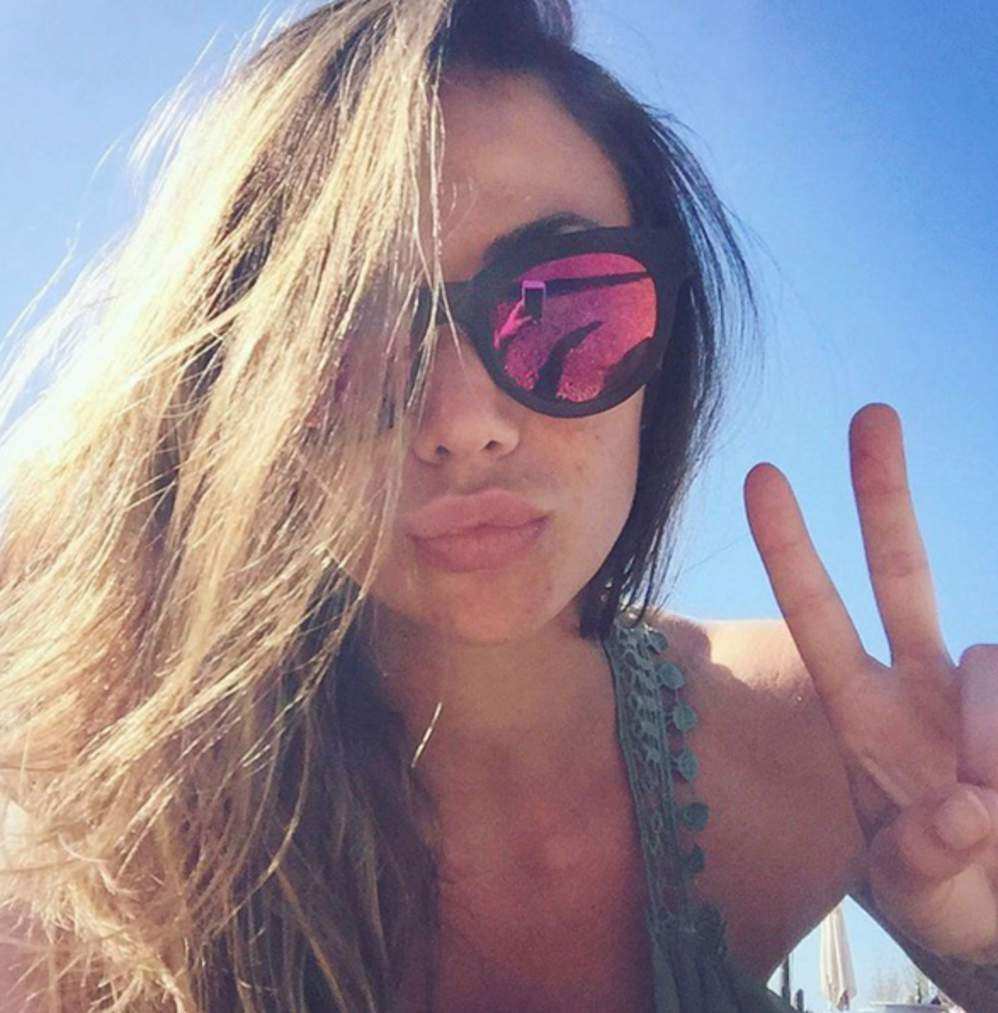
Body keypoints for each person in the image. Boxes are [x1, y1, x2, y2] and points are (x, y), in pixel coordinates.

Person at [0, 1, 995, 1010]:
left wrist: (981, 939)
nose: (462, 420)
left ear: (667, 347)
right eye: (347, 330)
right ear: (231, 384)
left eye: (569, 308)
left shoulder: (819, 739)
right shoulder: (100, 850)